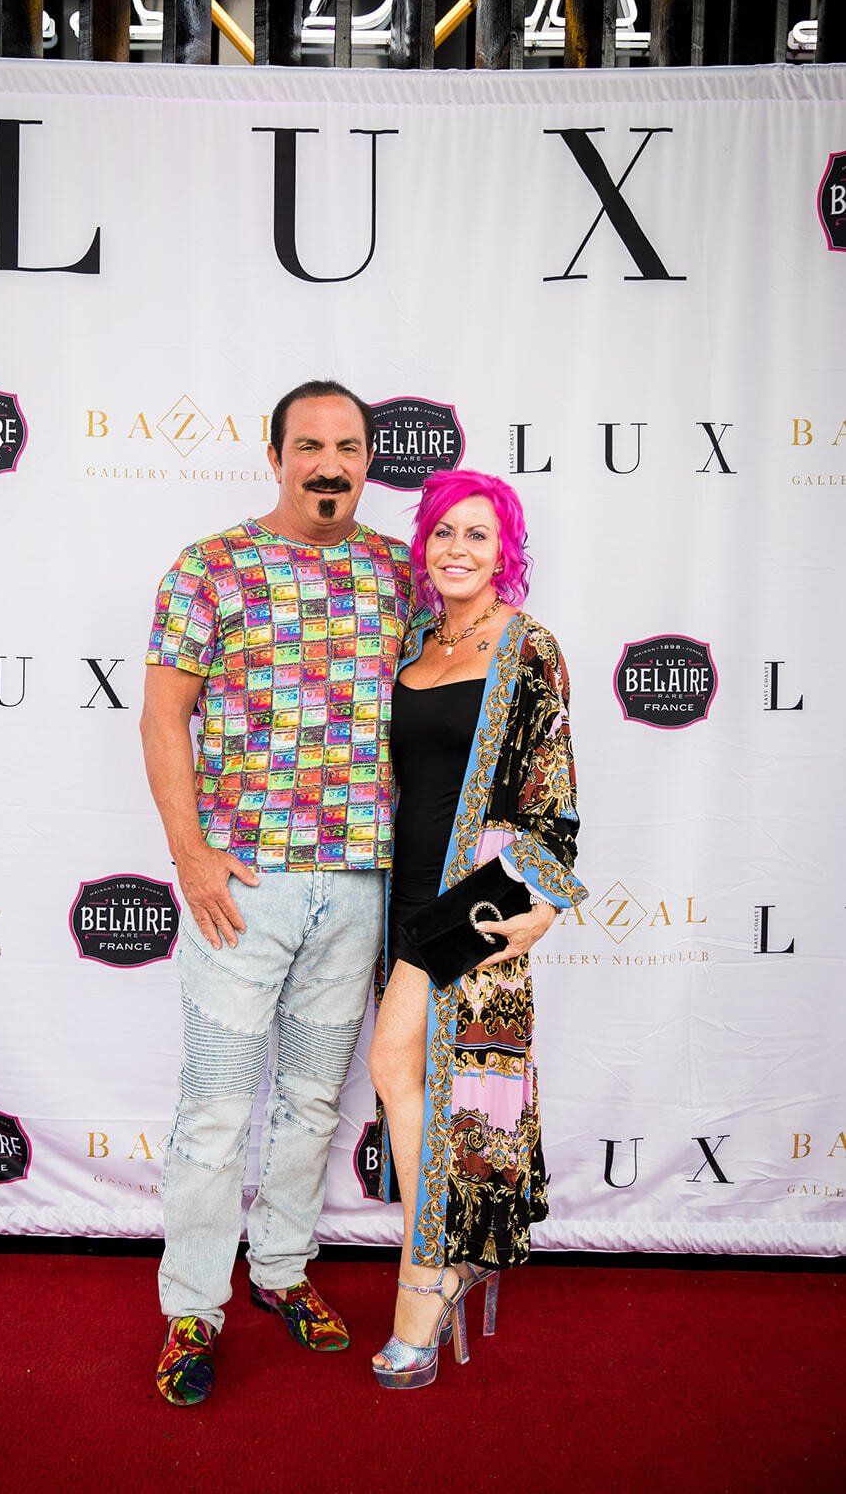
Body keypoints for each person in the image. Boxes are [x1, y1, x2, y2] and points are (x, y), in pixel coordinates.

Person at [141, 380, 411, 1405]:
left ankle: (283, 1271)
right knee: (214, 1106)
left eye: (347, 445)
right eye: (309, 445)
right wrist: (191, 856)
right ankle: (190, 1307)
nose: (328, 462)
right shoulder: (210, 568)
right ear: (275, 456)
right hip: (239, 890)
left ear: (368, 459)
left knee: (307, 1100)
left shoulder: (399, 574)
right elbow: (163, 717)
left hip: (356, 888)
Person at [367, 467, 587, 1389]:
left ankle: (427, 1277)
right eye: (442, 532)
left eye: (478, 536)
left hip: (479, 899)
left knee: (394, 1065)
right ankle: (453, 1253)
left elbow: (550, 783)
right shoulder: (414, 642)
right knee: (428, 1086)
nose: (457, 549)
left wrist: (539, 899)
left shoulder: (528, 647)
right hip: (400, 894)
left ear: (507, 553)